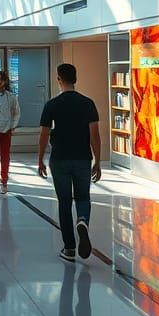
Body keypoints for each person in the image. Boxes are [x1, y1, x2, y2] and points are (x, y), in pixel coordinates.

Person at [38, 63, 101, 262]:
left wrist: (40, 158)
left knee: (64, 203)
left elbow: (44, 134)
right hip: (82, 158)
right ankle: (82, 220)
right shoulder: (88, 103)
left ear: (59, 79)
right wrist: (98, 161)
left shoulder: (52, 105)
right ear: (75, 78)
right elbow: (95, 135)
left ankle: (70, 249)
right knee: (83, 197)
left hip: (60, 159)